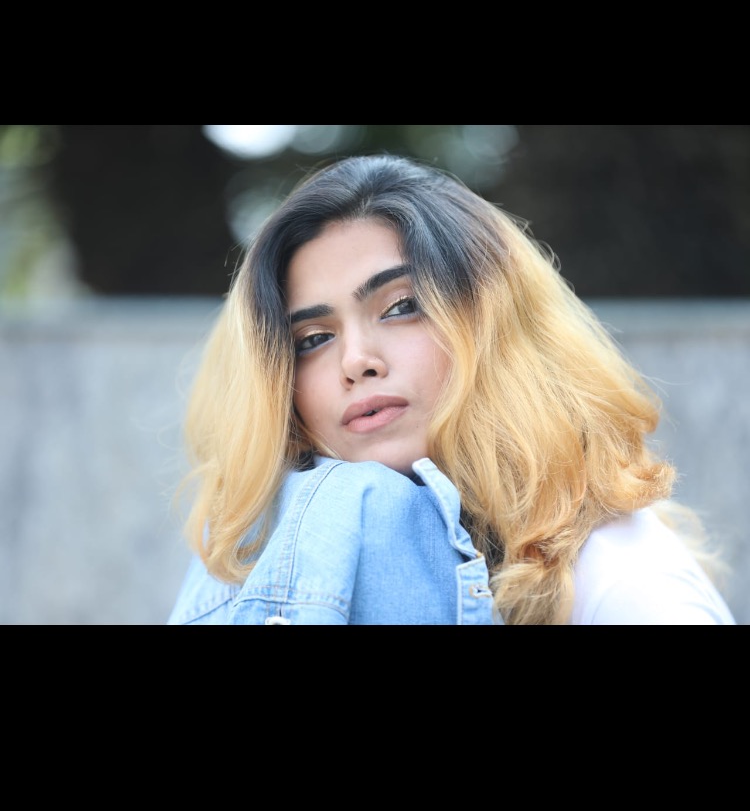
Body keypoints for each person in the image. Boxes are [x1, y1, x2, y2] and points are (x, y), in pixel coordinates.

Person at [168, 153, 735, 627]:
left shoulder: (627, 585)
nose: (356, 361)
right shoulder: (275, 548)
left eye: (401, 307)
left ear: (493, 323)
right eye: (313, 339)